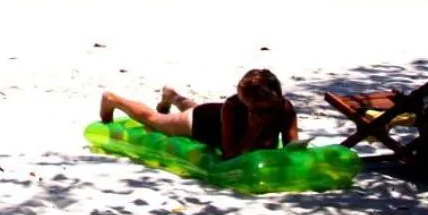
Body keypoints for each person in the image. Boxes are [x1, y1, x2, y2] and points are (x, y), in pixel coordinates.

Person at [97, 68, 298, 159]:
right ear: (247, 104)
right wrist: (252, 132)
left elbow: (292, 146)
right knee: (154, 119)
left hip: (215, 114)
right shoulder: (233, 107)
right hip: (201, 123)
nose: (267, 112)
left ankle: (172, 96)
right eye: (260, 109)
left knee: (195, 106)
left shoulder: (285, 108)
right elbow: (228, 155)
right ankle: (112, 99)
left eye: (272, 106)